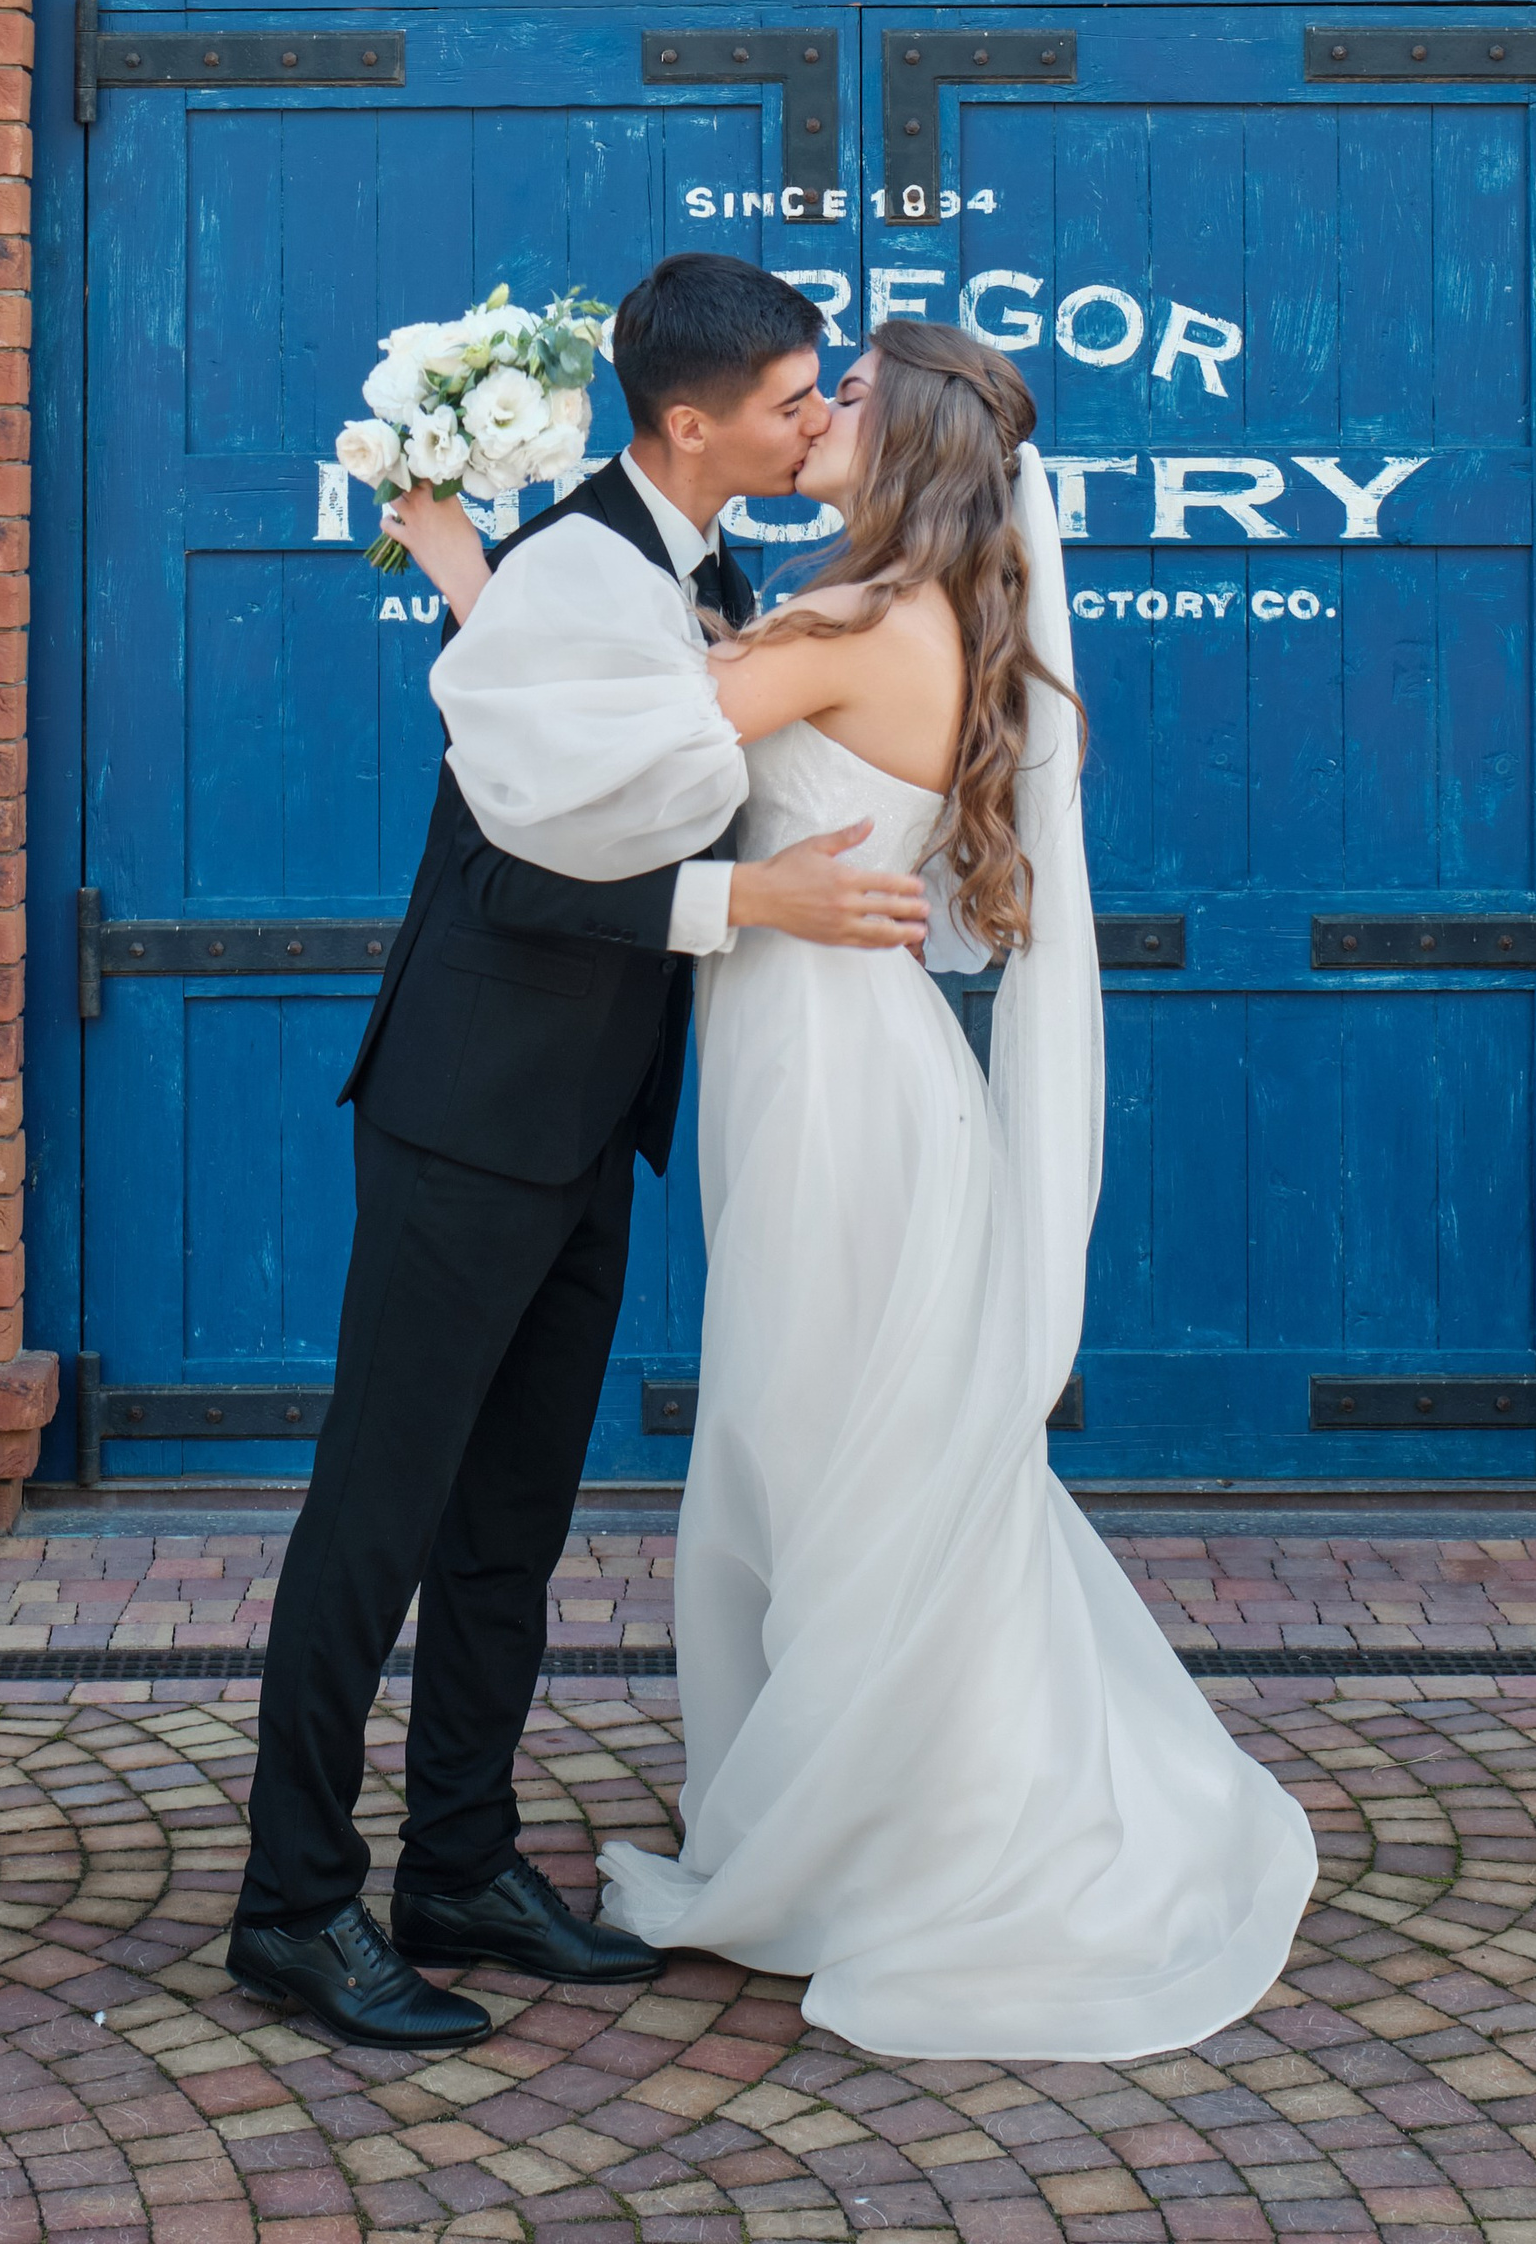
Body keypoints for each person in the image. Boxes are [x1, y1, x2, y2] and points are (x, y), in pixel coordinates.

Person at [397, 318, 1318, 2062]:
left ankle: (884, 1849)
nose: (818, 415)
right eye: (811, 395)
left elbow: (603, 758)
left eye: (850, 404)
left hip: (832, 1093)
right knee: (851, 1461)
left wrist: (464, 568)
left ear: (903, 454)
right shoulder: (901, 613)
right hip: (837, 1070)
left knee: (828, 1460)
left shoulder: (847, 627)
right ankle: (882, 1807)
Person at [227, 254, 931, 2052]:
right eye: (794, 399)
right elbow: (508, 872)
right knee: (377, 1519)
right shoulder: (572, 567)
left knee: (510, 1527)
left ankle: (457, 1864)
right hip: (468, 1115)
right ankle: (294, 1907)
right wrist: (744, 897)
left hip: (585, 1124)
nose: (817, 419)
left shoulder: (700, 562)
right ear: (693, 422)